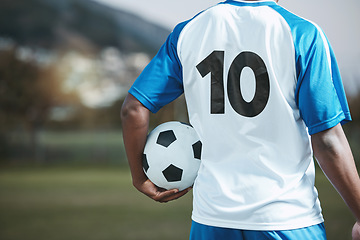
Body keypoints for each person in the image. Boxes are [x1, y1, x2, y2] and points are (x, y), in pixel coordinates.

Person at [121, 0, 360, 239]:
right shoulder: (302, 34)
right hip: (287, 218)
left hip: (211, 219)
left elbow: (133, 108)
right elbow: (328, 141)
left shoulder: (188, 32)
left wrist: (139, 177)